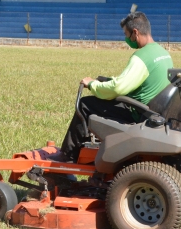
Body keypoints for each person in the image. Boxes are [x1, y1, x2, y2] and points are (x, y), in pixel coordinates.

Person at [58, 12, 173, 163]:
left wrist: (93, 84)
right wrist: (110, 80)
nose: (127, 39)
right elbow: (138, 81)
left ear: (135, 32)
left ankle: (67, 157)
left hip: (139, 114)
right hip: (156, 111)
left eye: (127, 35)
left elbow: (118, 89)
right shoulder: (162, 52)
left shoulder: (141, 57)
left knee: (85, 104)